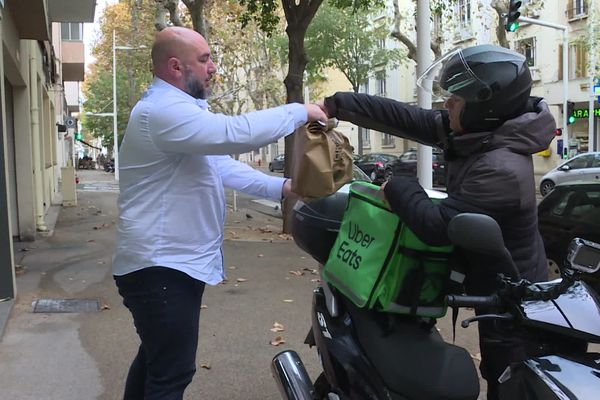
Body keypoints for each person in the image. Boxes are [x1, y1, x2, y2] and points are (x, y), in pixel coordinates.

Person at [320, 45, 556, 399]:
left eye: (455, 100)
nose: (447, 106)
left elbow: (436, 225)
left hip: (515, 308)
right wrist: (337, 105)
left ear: (484, 107)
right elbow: (406, 118)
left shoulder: (501, 168)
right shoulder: (481, 133)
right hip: (492, 290)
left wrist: (398, 185)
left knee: (507, 381)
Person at [112, 26, 327, 400]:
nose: (213, 67)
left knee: (156, 361)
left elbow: (219, 165)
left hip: (168, 264)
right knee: (171, 373)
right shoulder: (161, 111)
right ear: (176, 66)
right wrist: (299, 111)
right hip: (161, 266)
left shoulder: (179, 111)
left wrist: (282, 188)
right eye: (205, 59)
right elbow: (235, 133)